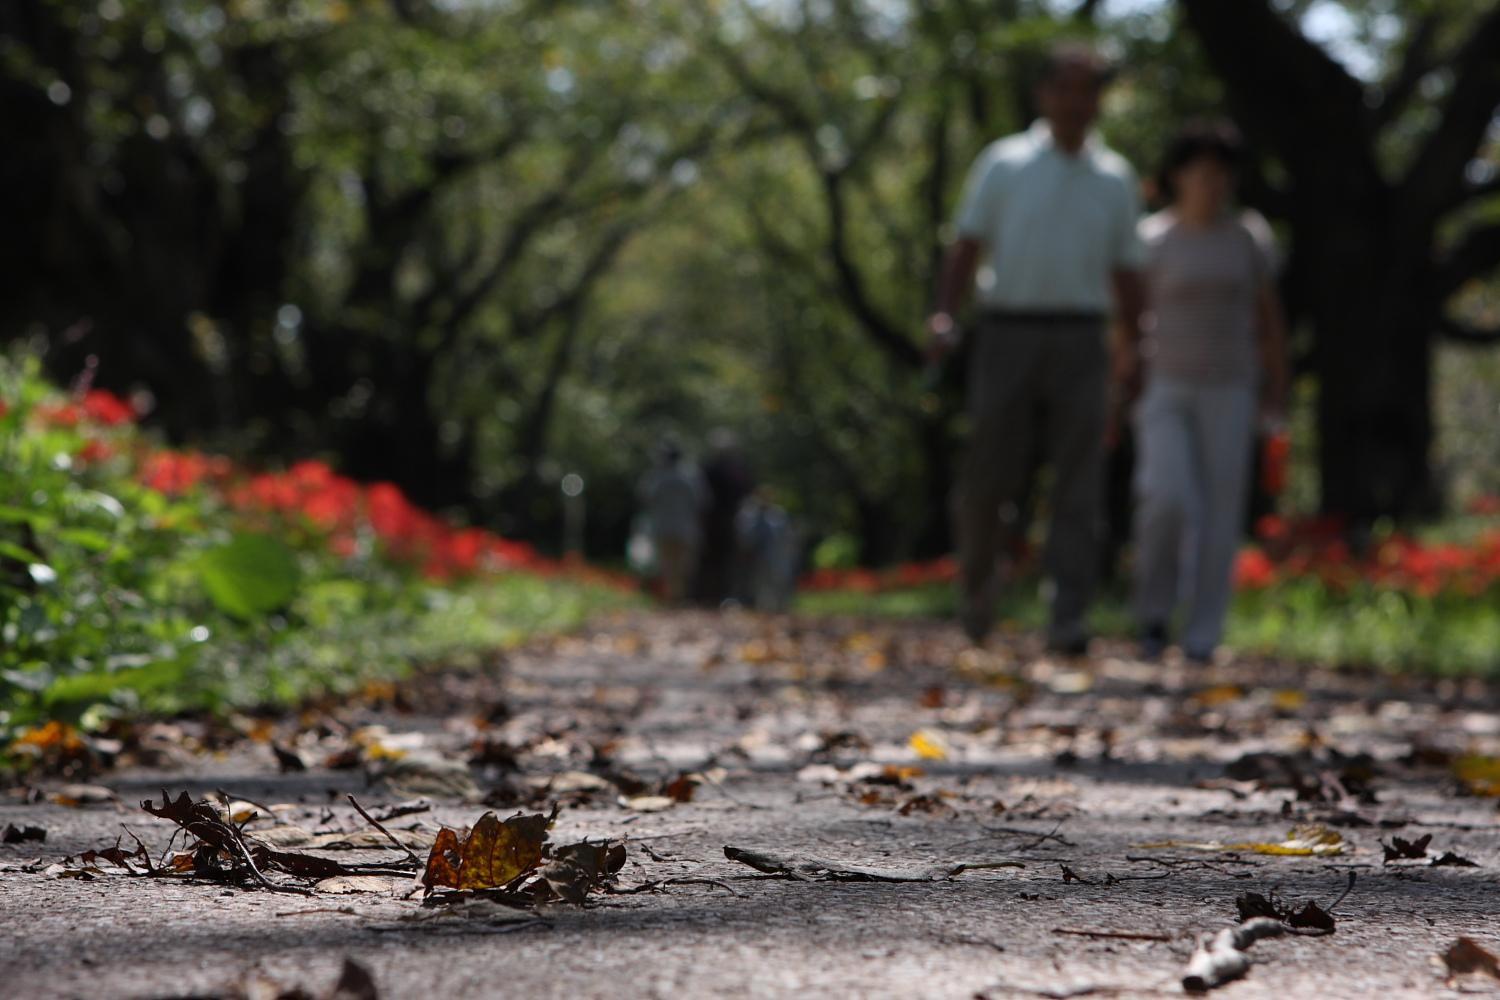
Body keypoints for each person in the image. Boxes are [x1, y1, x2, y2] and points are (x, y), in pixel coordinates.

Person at [928, 41, 1146, 653]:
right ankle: (977, 589)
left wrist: (1136, 344)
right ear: (1043, 94)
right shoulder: (1004, 163)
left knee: (1080, 480)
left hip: (1083, 336)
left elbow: (1128, 272)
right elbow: (966, 245)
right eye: (1065, 88)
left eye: (1088, 90)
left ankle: (1068, 614)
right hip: (1007, 329)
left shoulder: (1115, 178)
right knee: (988, 471)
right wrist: (944, 314)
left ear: (1100, 101)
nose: (1076, 102)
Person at [1124, 120, 1289, 662]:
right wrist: (1118, 382)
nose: (1213, 184)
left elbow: (1269, 321)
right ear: (1177, 176)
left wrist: (1277, 390)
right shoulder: (1151, 238)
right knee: (1166, 496)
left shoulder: (1248, 237)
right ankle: (1153, 613)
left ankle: (1203, 631)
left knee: (1221, 510)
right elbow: (1128, 321)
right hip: (1164, 386)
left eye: (1223, 174)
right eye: (1202, 173)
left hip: (1231, 387)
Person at [637, 437, 706, 604]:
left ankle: (674, 596)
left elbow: (645, 497)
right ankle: (677, 596)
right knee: (681, 563)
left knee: (669, 563)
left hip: (664, 525)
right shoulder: (691, 475)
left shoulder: (656, 475)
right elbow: (702, 501)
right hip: (684, 526)